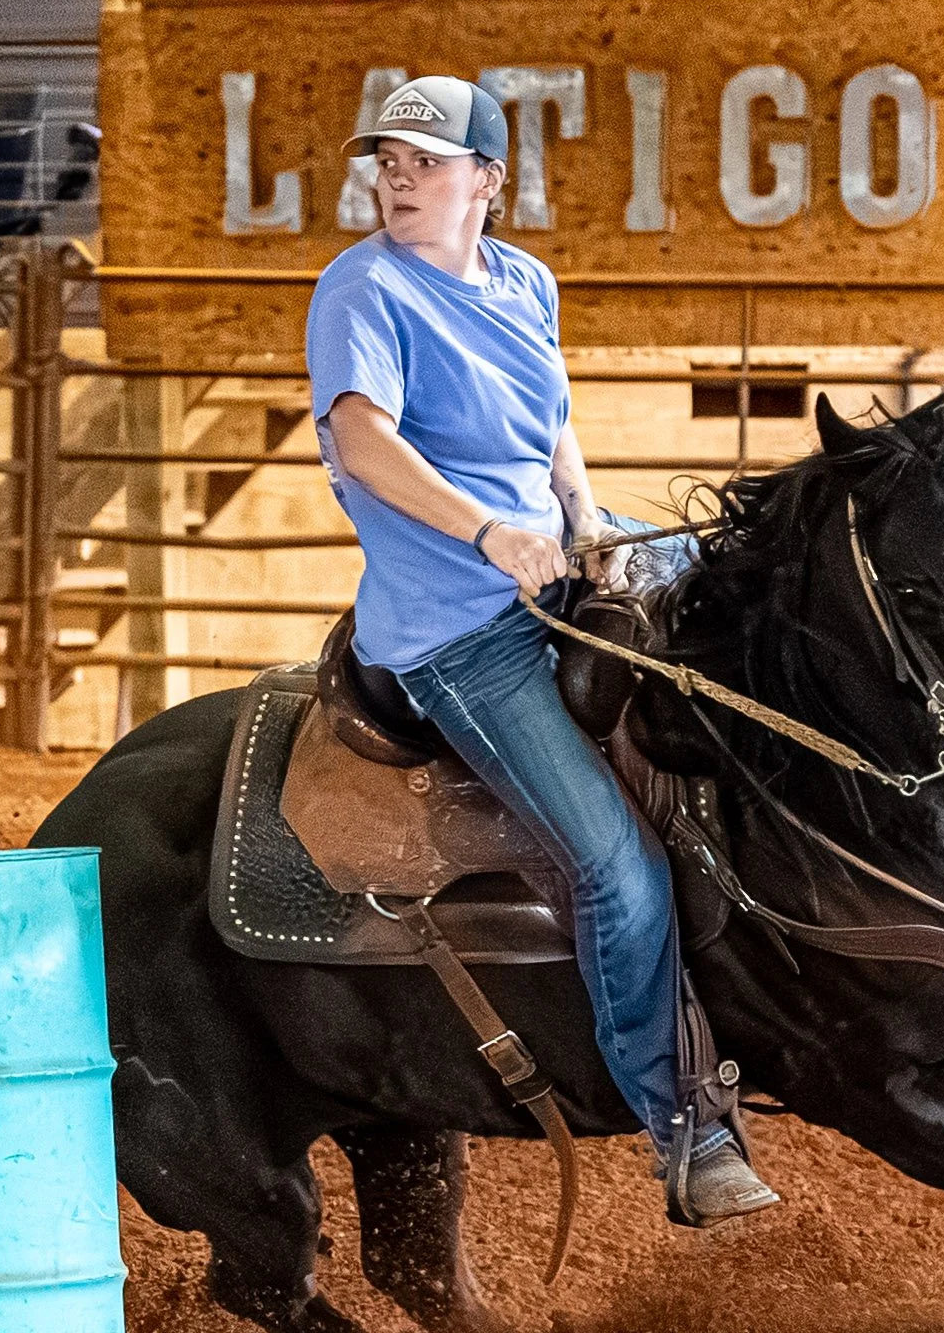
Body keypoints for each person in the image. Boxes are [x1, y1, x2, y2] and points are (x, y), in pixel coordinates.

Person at [304, 76, 781, 1224]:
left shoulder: (523, 281)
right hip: (457, 626)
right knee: (611, 864)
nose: (399, 178)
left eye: (424, 161)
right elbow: (362, 440)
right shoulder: (359, 287)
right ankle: (683, 1129)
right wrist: (488, 530)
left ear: (486, 180)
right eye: (389, 160)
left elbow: (550, 415)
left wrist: (583, 511)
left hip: (554, 579)